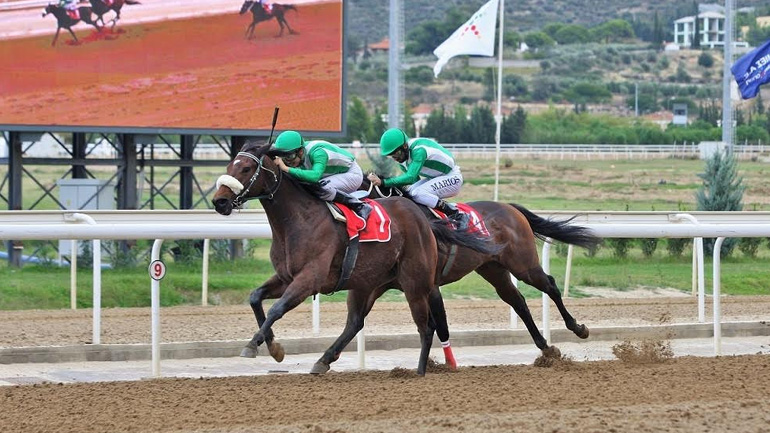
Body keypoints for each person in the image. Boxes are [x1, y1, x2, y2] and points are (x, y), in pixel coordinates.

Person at [368, 128, 470, 230]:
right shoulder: (403, 161)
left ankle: (458, 215)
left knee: (418, 193)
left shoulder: (418, 151)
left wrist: (383, 182)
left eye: (396, 153)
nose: (395, 158)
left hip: (452, 177)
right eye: (391, 155)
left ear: (404, 146)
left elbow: (410, 177)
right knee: (411, 192)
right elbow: (414, 181)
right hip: (437, 178)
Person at [272, 130, 372, 221]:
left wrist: (286, 169)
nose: (287, 162)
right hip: (331, 175)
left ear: (301, 151)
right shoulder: (299, 156)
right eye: (283, 158)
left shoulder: (318, 152)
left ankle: (359, 206)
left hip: (351, 174)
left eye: (289, 157)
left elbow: (315, 177)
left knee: (322, 187)